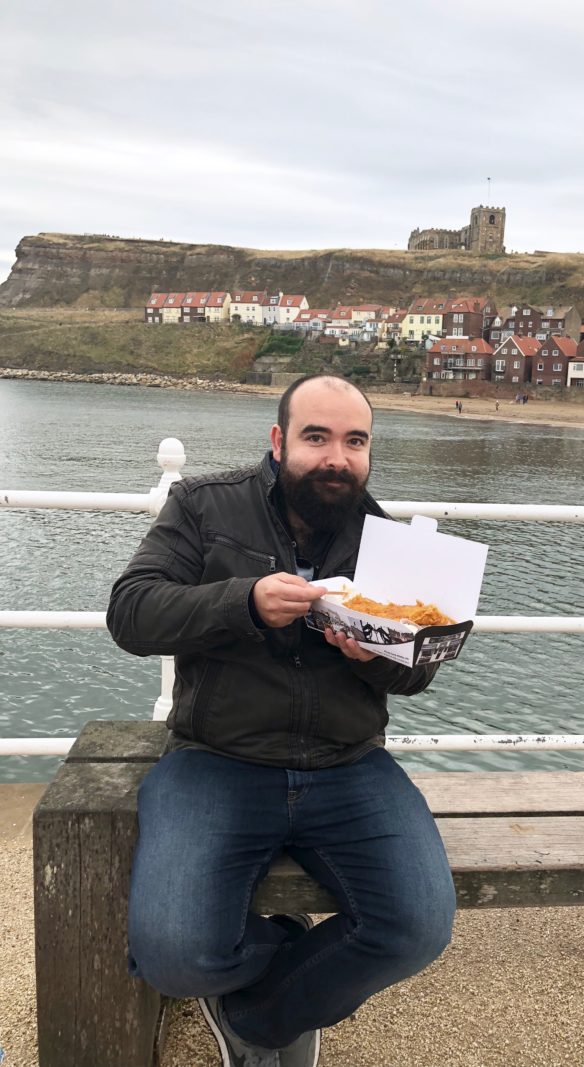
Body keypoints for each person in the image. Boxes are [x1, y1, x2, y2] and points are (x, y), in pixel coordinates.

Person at [106, 374, 456, 1067]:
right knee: (175, 956)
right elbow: (132, 612)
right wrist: (243, 602)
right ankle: (281, 959)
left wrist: (371, 655)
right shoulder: (204, 507)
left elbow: (417, 673)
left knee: (417, 927)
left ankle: (260, 1016)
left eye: (355, 441)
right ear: (278, 441)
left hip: (348, 762)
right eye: (317, 437)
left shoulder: (391, 540)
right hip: (217, 757)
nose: (337, 458)